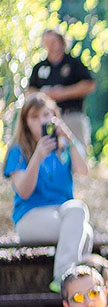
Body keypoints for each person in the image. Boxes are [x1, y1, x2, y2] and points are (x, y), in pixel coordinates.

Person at [3, 92, 92, 292]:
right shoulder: (18, 150)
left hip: (64, 215)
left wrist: (69, 138)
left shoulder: (64, 147)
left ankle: (80, 286)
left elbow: (84, 171)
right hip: (31, 218)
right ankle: (64, 278)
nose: (40, 121)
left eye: (45, 115)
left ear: (54, 117)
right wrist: (37, 156)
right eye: (34, 117)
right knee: (81, 227)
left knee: (84, 225)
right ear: (25, 122)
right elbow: (24, 192)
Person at [28, 29, 96, 149]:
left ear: (62, 42)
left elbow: (89, 85)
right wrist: (46, 95)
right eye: (47, 43)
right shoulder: (39, 67)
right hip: (46, 118)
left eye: (53, 42)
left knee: (78, 151)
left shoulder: (74, 64)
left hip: (72, 116)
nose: (50, 46)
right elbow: (30, 92)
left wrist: (63, 93)